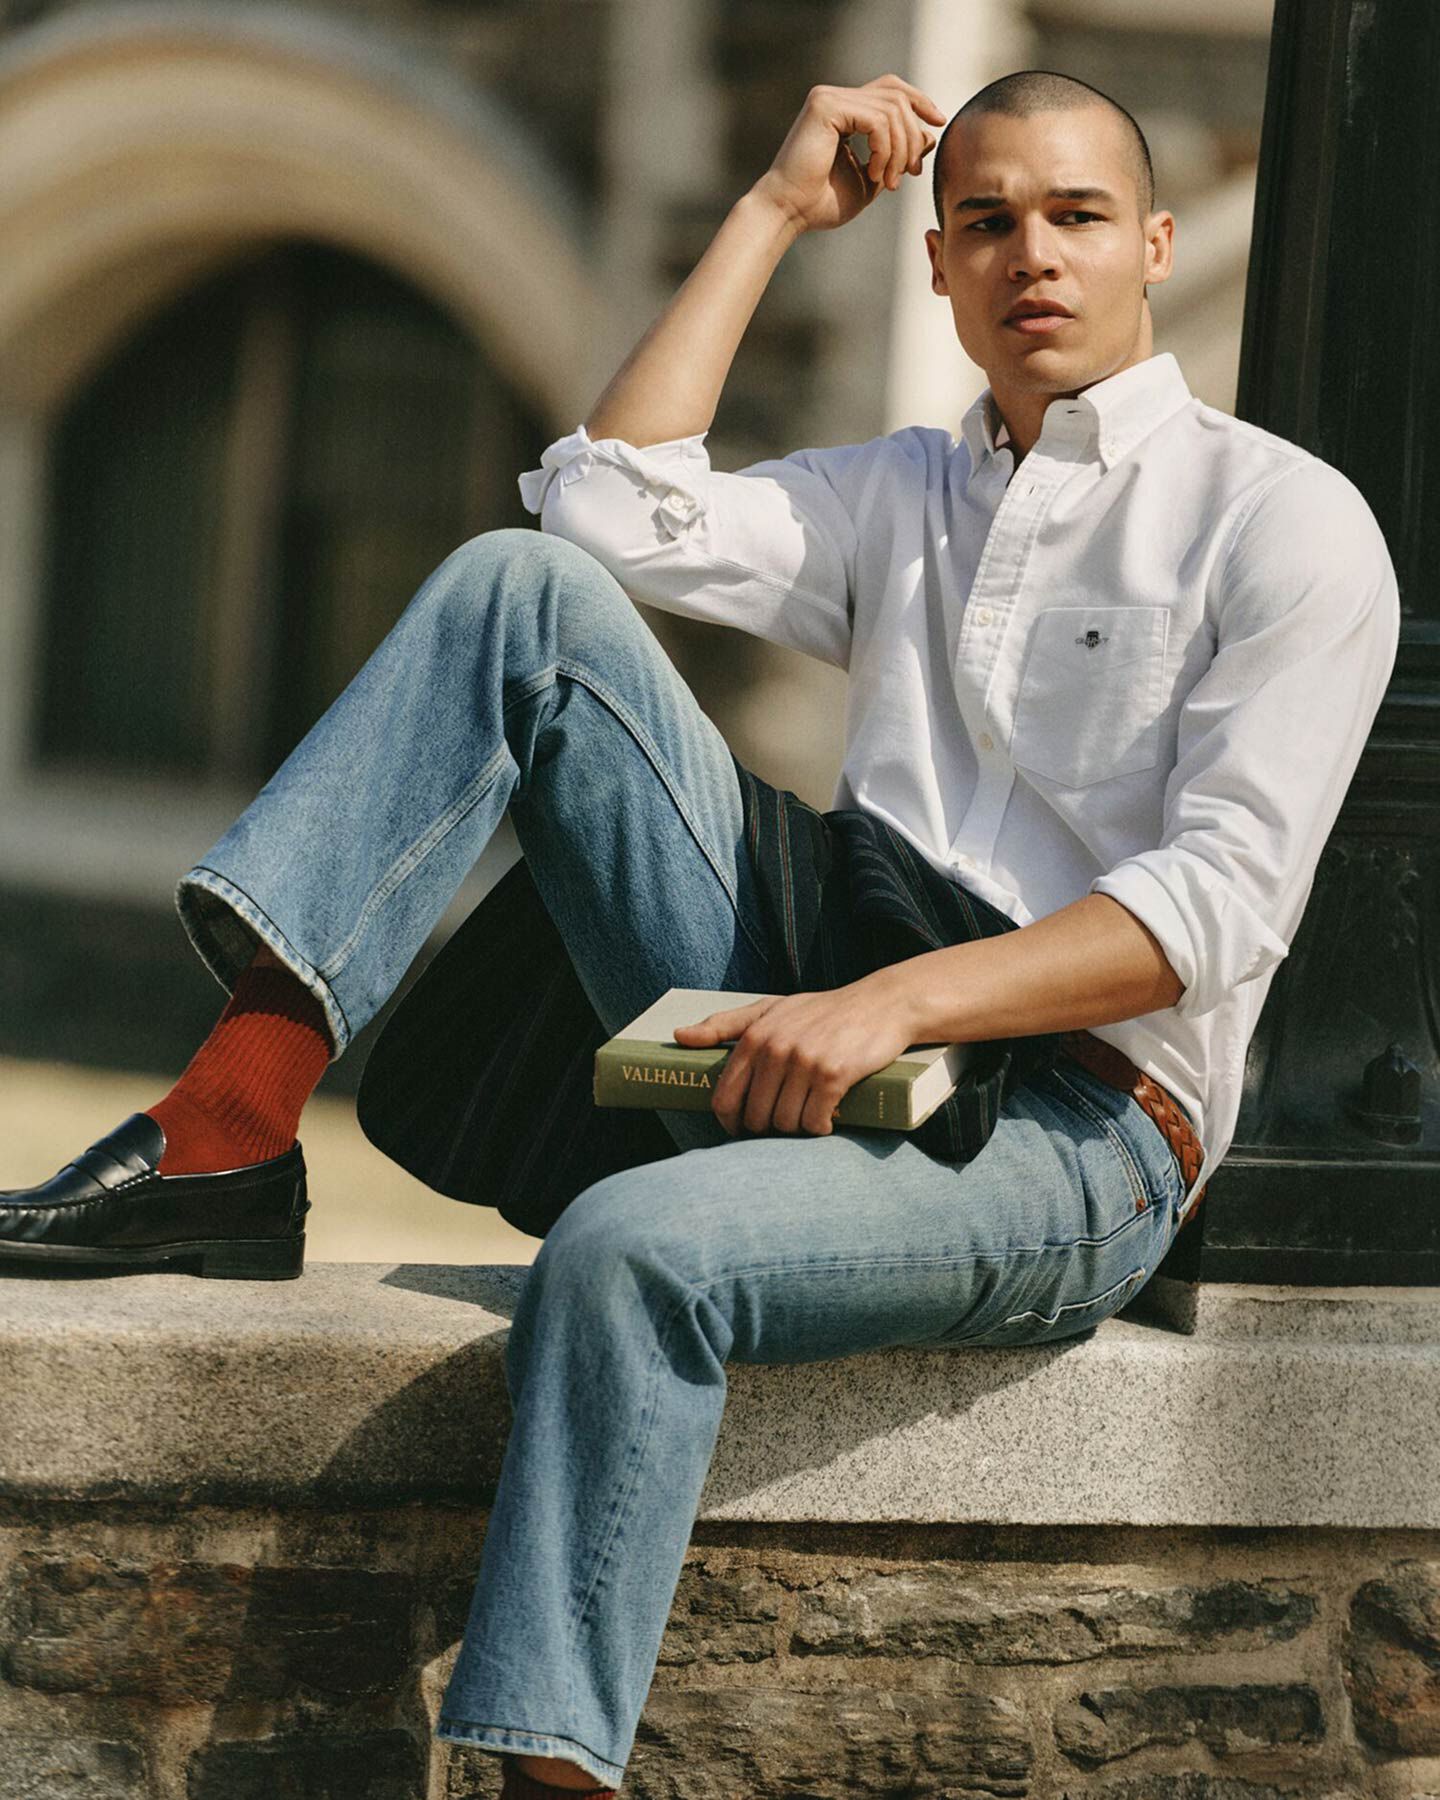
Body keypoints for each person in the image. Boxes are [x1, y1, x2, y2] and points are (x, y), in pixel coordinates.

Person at [0, 66, 1399, 1797]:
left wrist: (901, 1005)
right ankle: (228, 1129)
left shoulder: (1284, 519)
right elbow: (601, 503)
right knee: (521, 592)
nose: (1031, 254)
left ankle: (545, 1778)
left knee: (630, 1254)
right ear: (943, 275)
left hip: (1074, 1131)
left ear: (1154, 242)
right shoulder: (905, 492)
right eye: (985, 225)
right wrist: (772, 211)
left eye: (1076, 216)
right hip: (822, 994)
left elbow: (1218, 911)